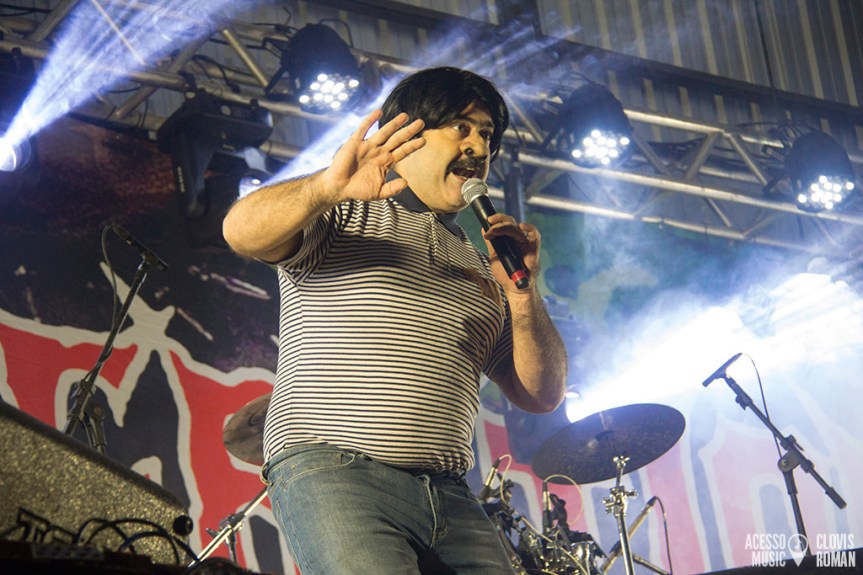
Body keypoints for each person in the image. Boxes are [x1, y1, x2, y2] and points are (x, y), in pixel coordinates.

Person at [222, 66, 568, 575]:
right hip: (338, 474)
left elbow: (542, 395)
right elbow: (239, 231)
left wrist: (522, 294)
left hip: (449, 493)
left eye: (487, 135)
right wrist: (324, 189)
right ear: (407, 134)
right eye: (461, 127)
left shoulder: (482, 267)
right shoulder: (342, 215)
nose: (478, 146)